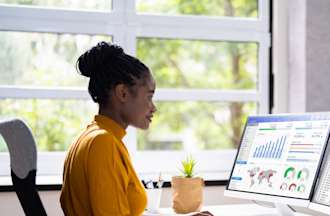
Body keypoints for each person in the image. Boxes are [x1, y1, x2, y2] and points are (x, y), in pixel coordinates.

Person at [60, 41, 157, 216]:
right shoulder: (103, 143)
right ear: (123, 93)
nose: (153, 107)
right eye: (149, 97)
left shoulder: (90, 136)